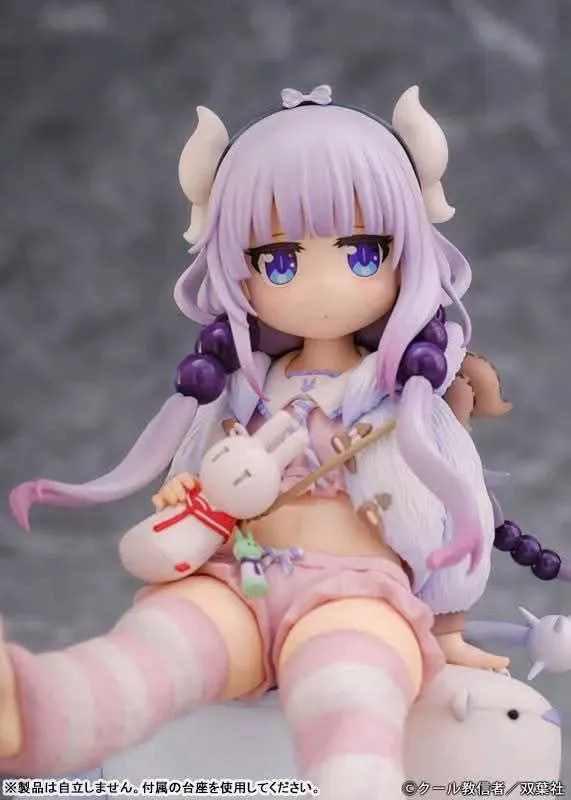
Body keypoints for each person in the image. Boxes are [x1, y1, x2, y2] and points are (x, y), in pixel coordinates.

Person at [4, 84, 566, 798]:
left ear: (407, 254)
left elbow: (456, 511)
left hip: (357, 592)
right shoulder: (243, 390)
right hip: (237, 580)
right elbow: (202, 482)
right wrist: (191, 495)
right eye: (279, 261)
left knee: (348, 686)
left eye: (362, 254)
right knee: (156, 649)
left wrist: (448, 628)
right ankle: (35, 710)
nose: (322, 285)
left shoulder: (401, 397)